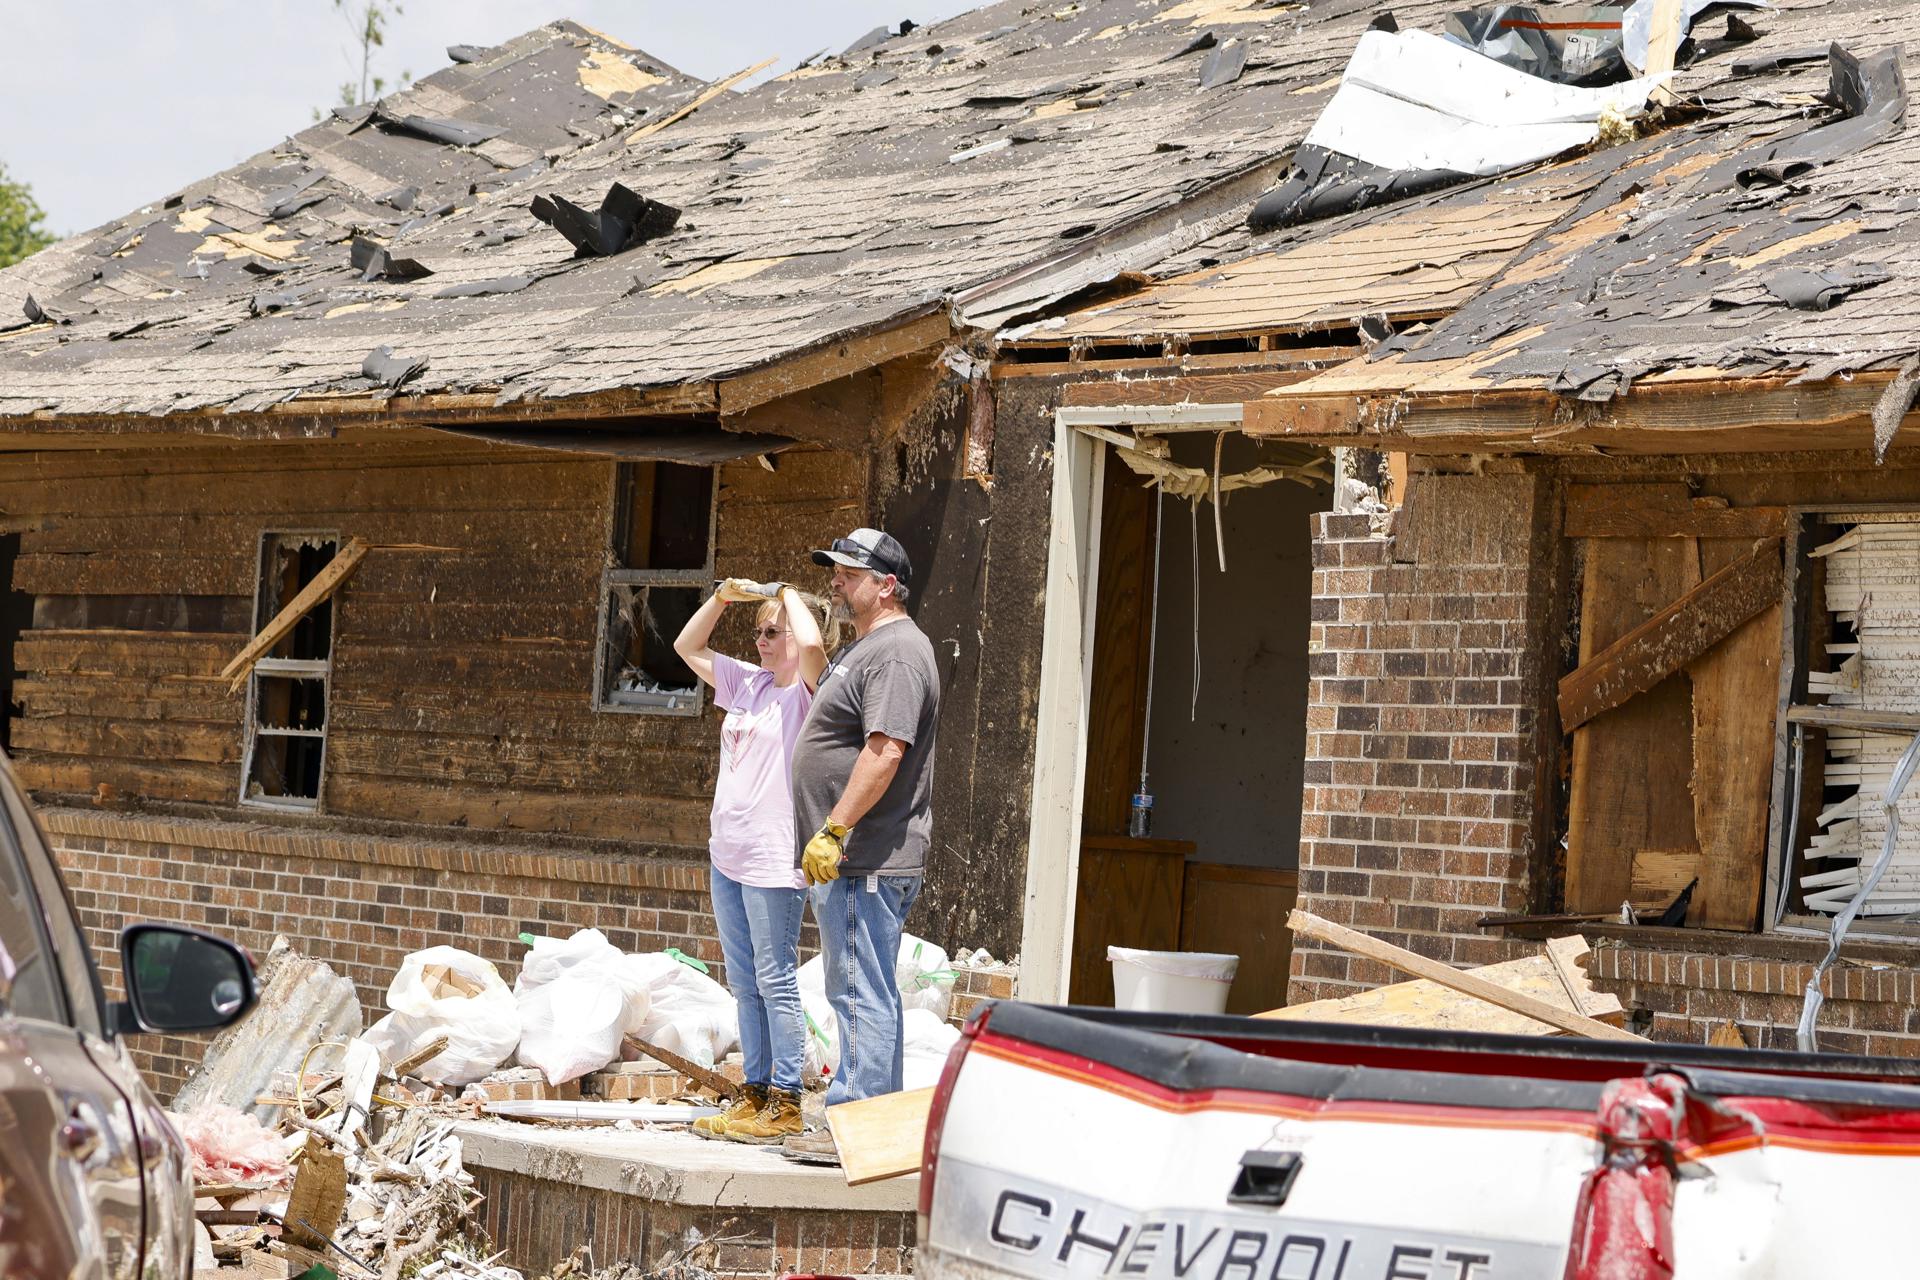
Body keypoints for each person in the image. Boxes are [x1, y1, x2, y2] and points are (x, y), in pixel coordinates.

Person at [784, 528, 942, 1163]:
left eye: (848, 573)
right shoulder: (868, 648)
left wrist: (835, 828)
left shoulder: (899, 653)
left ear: (888, 585)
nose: (836, 580)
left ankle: (857, 1128)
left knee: (858, 990)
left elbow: (885, 751)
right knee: (862, 986)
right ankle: (875, 1129)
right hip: (854, 858)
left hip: (865, 856)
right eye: (835, 570)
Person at [673, 578, 827, 1144]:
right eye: (755, 631)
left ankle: (787, 1099)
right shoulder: (749, 684)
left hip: (772, 861)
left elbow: (812, 649)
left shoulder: (808, 691)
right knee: (744, 980)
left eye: (771, 631)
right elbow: (687, 649)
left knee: (775, 978)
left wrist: (787, 594)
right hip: (728, 855)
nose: (760, 640)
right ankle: (755, 1092)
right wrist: (720, 599)